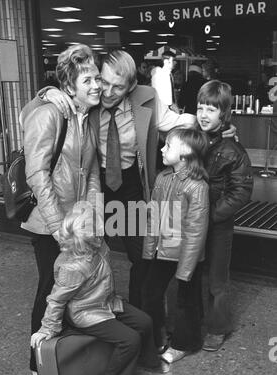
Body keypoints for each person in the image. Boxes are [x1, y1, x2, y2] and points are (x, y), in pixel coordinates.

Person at [23, 49, 197, 310]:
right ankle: (94, 320)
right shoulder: (86, 102)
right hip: (92, 187)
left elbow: (177, 122)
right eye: (103, 82)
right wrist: (47, 92)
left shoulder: (146, 100)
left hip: (127, 188)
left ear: (130, 86)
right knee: (84, 262)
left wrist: (215, 126)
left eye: (118, 87)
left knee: (143, 256)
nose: (107, 91)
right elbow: (30, 115)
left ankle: (142, 321)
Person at [20, 44, 101, 375]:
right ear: (70, 85)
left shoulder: (86, 116)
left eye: (97, 77)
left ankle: (65, 357)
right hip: (50, 225)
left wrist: (92, 215)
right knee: (51, 291)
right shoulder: (50, 113)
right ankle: (39, 364)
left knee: (75, 288)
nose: (97, 84)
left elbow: (92, 170)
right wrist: (58, 227)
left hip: (77, 223)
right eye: (88, 79)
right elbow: (37, 174)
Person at [31, 206, 168, 375]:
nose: (102, 227)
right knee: (130, 340)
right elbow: (56, 300)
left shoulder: (98, 245)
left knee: (144, 321)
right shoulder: (72, 267)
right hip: (88, 313)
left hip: (105, 302)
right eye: (97, 226)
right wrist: (46, 329)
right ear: (88, 236)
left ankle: (147, 360)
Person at [141, 128, 210, 362]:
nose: (162, 148)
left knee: (185, 301)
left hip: (186, 255)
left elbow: (196, 231)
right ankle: (157, 337)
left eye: (168, 146)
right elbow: (153, 217)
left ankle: (185, 343)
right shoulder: (162, 178)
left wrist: (186, 268)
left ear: (186, 153)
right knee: (150, 293)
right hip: (163, 250)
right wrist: (149, 249)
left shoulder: (197, 186)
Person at [196, 80, 254, 351]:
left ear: (224, 114)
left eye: (211, 109)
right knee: (190, 271)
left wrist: (212, 215)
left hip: (218, 223)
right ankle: (189, 320)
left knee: (217, 278)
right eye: (200, 108)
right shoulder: (192, 139)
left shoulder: (234, 150)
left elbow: (240, 191)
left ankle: (218, 328)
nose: (204, 114)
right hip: (192, 221)